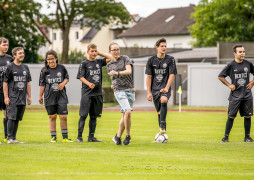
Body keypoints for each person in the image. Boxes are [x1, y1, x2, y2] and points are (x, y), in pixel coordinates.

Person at [76, 43, 112, 143]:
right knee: (83, 115)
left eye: (95, 51)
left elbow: (111, 57)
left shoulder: (99, 62)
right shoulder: (84, 64)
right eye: (92, 51)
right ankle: (79, 137)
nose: (94, 53)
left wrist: (99, 53)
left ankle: (91, 137)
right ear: (87, 52)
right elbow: (80, 77)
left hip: (97, 94)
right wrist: (88, 84)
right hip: (87, 94)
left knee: (93, 116)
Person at [218, 44, 254, 143]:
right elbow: (220, 76)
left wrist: (252, 82)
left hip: (247, 95)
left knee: (248, 116)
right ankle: (225, 137)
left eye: (243, 51)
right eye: (240, 52)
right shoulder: (230, 65)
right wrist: (229, 85)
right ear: (235, 53)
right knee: (231, 116)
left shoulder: (248, 64)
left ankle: (247, 137)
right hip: (235, 95)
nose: (243, 53)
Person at [39, 50, 73, 143]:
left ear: (56, 58)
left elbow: (67, 77)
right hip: (49, 97)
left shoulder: (61, 67)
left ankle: (65, 138)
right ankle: (53, 137)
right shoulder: (44, 70)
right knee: (52, 117)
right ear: (46, 60)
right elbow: (42, 84)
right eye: (49, 59)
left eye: (52, 59)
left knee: (63, 117)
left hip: (61, 96)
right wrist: (40, 96)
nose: (51, 61)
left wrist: (63, 83)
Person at [145, 38, 177, 135]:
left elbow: (172, 74)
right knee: (159, 112)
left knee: (164, 100)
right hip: (155, 89)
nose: (164, 48)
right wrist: (149, 93)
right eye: (162, 46)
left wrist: (167, 88)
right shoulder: (151, 60)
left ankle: (162, 125)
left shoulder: (170, 59)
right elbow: (149, 77)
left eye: (165, 46)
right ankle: (162, 133)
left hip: (165, 87)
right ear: (157, 48)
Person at [107, 42, 135, 145]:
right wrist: (113, 85)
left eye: (117, 49)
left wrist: (117, 73)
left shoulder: (125, 58)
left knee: (125, 115)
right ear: (110, 51)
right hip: (119, 91)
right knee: (128, 112)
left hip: (130, 90)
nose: (116, 51)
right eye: (114, 50)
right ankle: (128, 136)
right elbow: (112, 78)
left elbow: (129, 71)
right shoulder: (109, 65)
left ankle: (117, 137)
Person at [3, 47, 31, 144]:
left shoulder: (25, 67)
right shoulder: (10, 67)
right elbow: (5, 83)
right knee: (11, 117)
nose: (22, 55)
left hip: (22, 98)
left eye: (23, 53)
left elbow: (28, 83)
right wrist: (6, 97)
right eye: (19, 53)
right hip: (12, 97)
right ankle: (9, 138)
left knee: (17, 118)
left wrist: (29, 96)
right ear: (14, 55)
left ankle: (14, 138)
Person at [0, 37, 13, 143]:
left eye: (7, 45)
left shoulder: (10, 59)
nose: (6, 47)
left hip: (6, 91)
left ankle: (7, 136)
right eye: (4, 45)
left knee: (7, 114)